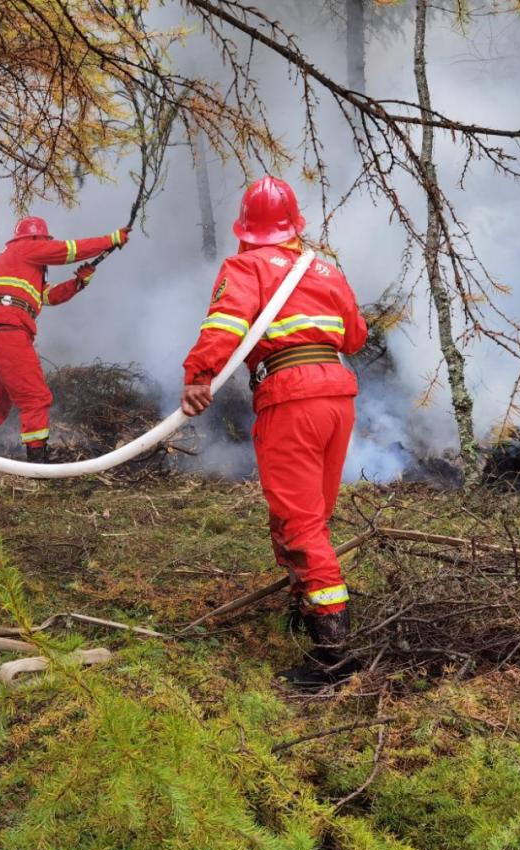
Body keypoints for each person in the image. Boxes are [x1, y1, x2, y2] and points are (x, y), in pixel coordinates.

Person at [180, 176, 368, 689]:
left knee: (300, 522)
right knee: (314, 515)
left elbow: (226, 323)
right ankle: (307, 606)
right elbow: (355, 335)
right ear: (294, 225)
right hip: (337, 395)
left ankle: (333, 656)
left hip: (291, 397)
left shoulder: (245, 266)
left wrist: (199, 375)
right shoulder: (327, 268)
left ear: (246, 228)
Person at [0, 218, 130, 463]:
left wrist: (77, 284)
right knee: (35, 398)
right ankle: (37, 464)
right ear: (39, 239)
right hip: (8, 331)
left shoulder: (15, 262)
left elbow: (48, 297)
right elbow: (69, 251)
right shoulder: (26, 247)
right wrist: (110, 240)